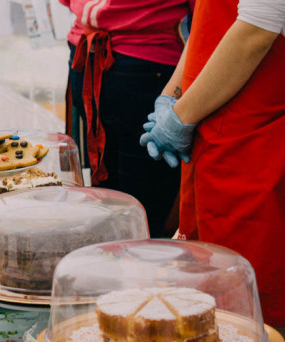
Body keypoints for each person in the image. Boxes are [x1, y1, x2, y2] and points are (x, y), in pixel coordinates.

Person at [140, 0, 285, 327]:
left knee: (248, 310)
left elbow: (255, 31)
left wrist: (180, 116)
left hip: (257, 145)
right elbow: (207, 29)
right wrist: (172, 96)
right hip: (209, 132)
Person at [59, 0, 195, 237]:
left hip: (95, 55)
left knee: (110, 203)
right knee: (138, 215)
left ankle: (110, 265)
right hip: (141, 58)